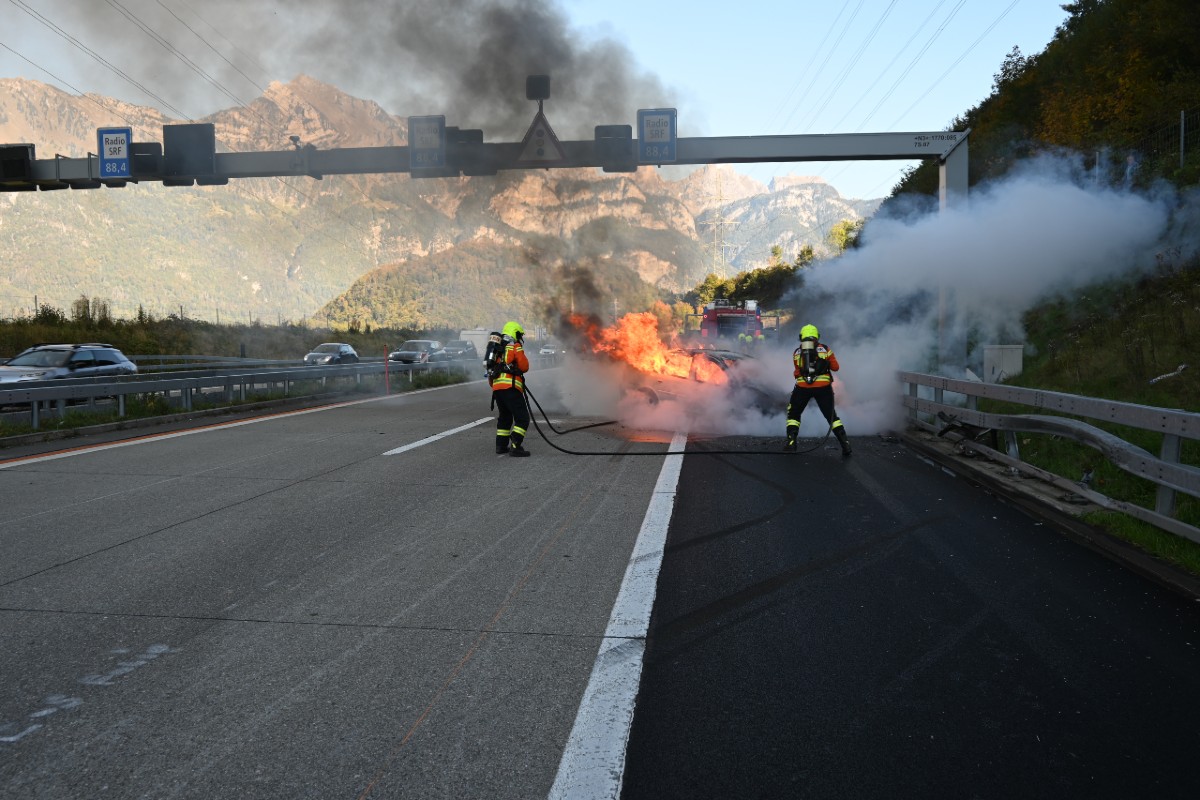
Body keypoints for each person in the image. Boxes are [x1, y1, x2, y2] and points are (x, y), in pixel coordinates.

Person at [785, 324, 851, 456]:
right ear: (817, 336)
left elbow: (797, 371)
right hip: (823, 388)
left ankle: (791, 443)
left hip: (802, 388)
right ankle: (845, 444)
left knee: (793, 414)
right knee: (832, 416)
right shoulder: (826, 349)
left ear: (801, 337)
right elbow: (836, 368)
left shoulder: (797, 352)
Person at [491, 320, 532, 457]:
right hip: (511, 389)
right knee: (523, 418)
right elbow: (524, 367)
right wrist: (519, 348)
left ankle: (501, 446)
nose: (520, 338)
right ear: (515, 333)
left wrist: (496, 386)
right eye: (519, 335)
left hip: (497, 389)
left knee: (505, 417)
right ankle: (515, 446)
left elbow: (491, 371)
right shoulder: (514, 346)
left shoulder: (496, 350)